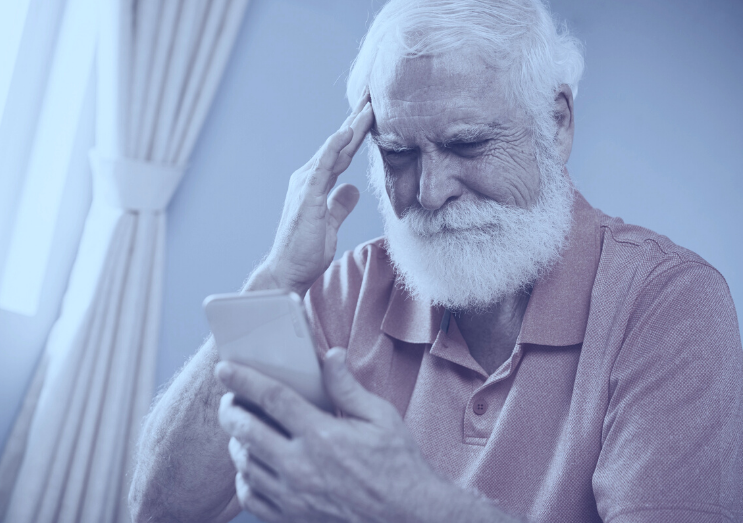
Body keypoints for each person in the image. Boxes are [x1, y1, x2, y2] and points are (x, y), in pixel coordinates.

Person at [128, 1, 743, 522]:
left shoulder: (672, 305)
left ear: (556, 124)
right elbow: (162, 507)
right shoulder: (350, 285)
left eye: (467, 144)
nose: (428, 192)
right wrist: (277, 278)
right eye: (397, 154)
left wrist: (408, 503)